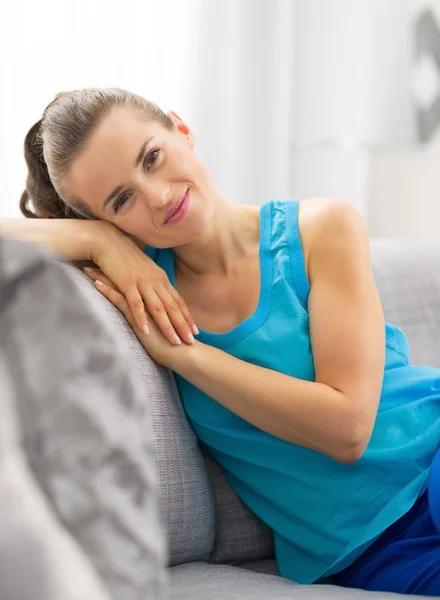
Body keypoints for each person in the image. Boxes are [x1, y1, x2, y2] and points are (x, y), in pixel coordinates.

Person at [3, 87, 440, 596]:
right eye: (122, 200)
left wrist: (186, 356)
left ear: (180, 128)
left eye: (152, 158)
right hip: (364, 551)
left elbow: (347, 430)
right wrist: (94, 242)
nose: (158, 196)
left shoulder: (322, 228)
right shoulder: (147, 289)